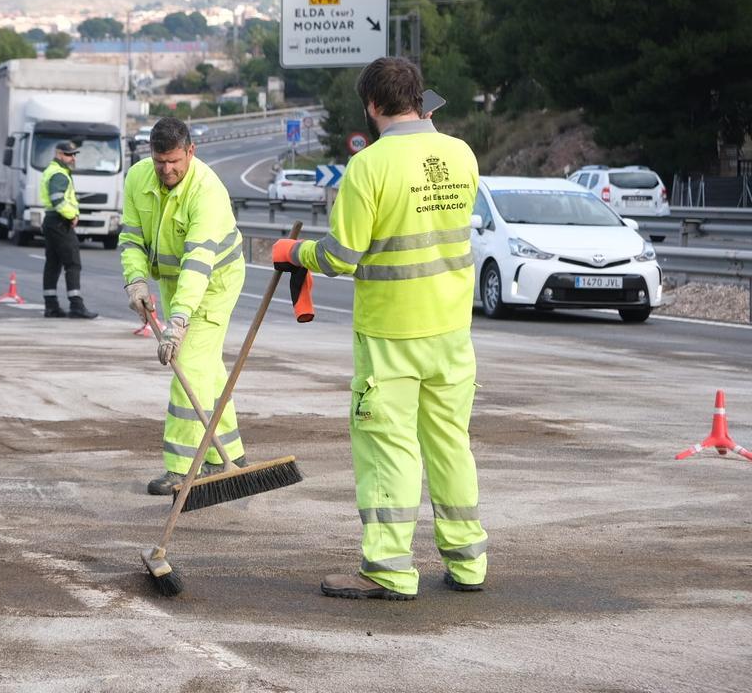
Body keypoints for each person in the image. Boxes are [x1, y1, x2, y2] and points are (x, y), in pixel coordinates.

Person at [274, 56, 488, 600]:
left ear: (371, 105)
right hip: (452, 332)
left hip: (392, 335)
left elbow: (343, 256)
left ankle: (390, 570)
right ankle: (467, 563)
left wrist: (292, 251)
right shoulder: (461, 154)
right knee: (450, 446)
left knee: (388, 450)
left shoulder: (369, 167)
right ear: (420, 97)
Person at [118, 117, 248, 494]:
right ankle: (232, 456)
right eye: (160, 161)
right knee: (206, 368)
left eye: (175, 161)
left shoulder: (207, 191)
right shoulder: (138, 179)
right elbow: (131, 237)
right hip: (176, 280)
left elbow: (197, 263)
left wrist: (177, 322)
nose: (167, 169)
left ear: (191, 152)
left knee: (188, 367)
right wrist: (136, 281)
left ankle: (181, 468)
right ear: (150, 155)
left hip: (214, 281)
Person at [39, 141, 97, 319]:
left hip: (51, 221)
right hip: (60, 221)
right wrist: (72, 215)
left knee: (53, 264)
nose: (72, 158)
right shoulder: (59, 174)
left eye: (74, 155)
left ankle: (51, 306)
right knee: (72, 263)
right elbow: (58, 200)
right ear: (59, 154)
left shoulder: (53, 171)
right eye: (69, 154)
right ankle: (76, 305)